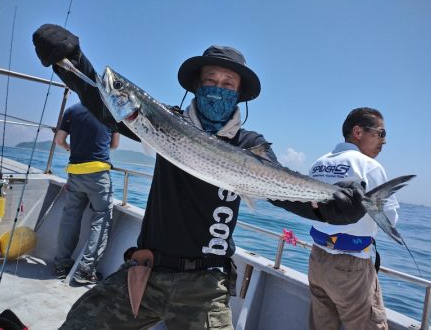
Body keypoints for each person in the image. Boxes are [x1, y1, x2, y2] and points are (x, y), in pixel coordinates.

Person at [33, 24, 367, 330]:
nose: (217, 89)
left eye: (227, 84)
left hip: (207, 284)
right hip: (146, 270)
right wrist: (72, 60)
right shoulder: (166, 120)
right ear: (196, 86)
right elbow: (105, 104)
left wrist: (331, 207)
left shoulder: (250, 145)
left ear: (239, 94)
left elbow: (282, 191)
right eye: (210, 81)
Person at [307, 107, 398, 330]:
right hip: (352, 269)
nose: (383, 141)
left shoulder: (318, 164)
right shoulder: (370, 166)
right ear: (358, 132)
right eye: (380, 133)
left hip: (317, 260)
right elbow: (390, 219)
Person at [54, 102, 120, 284]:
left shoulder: (71, 110)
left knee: (71, 217)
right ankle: (85, 270)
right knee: (101, 217)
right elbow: (114, 145)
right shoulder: (111, 111)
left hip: (74, 173)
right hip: (98, 174)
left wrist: (71, 148)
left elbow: (59, 141)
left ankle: (61, 265)